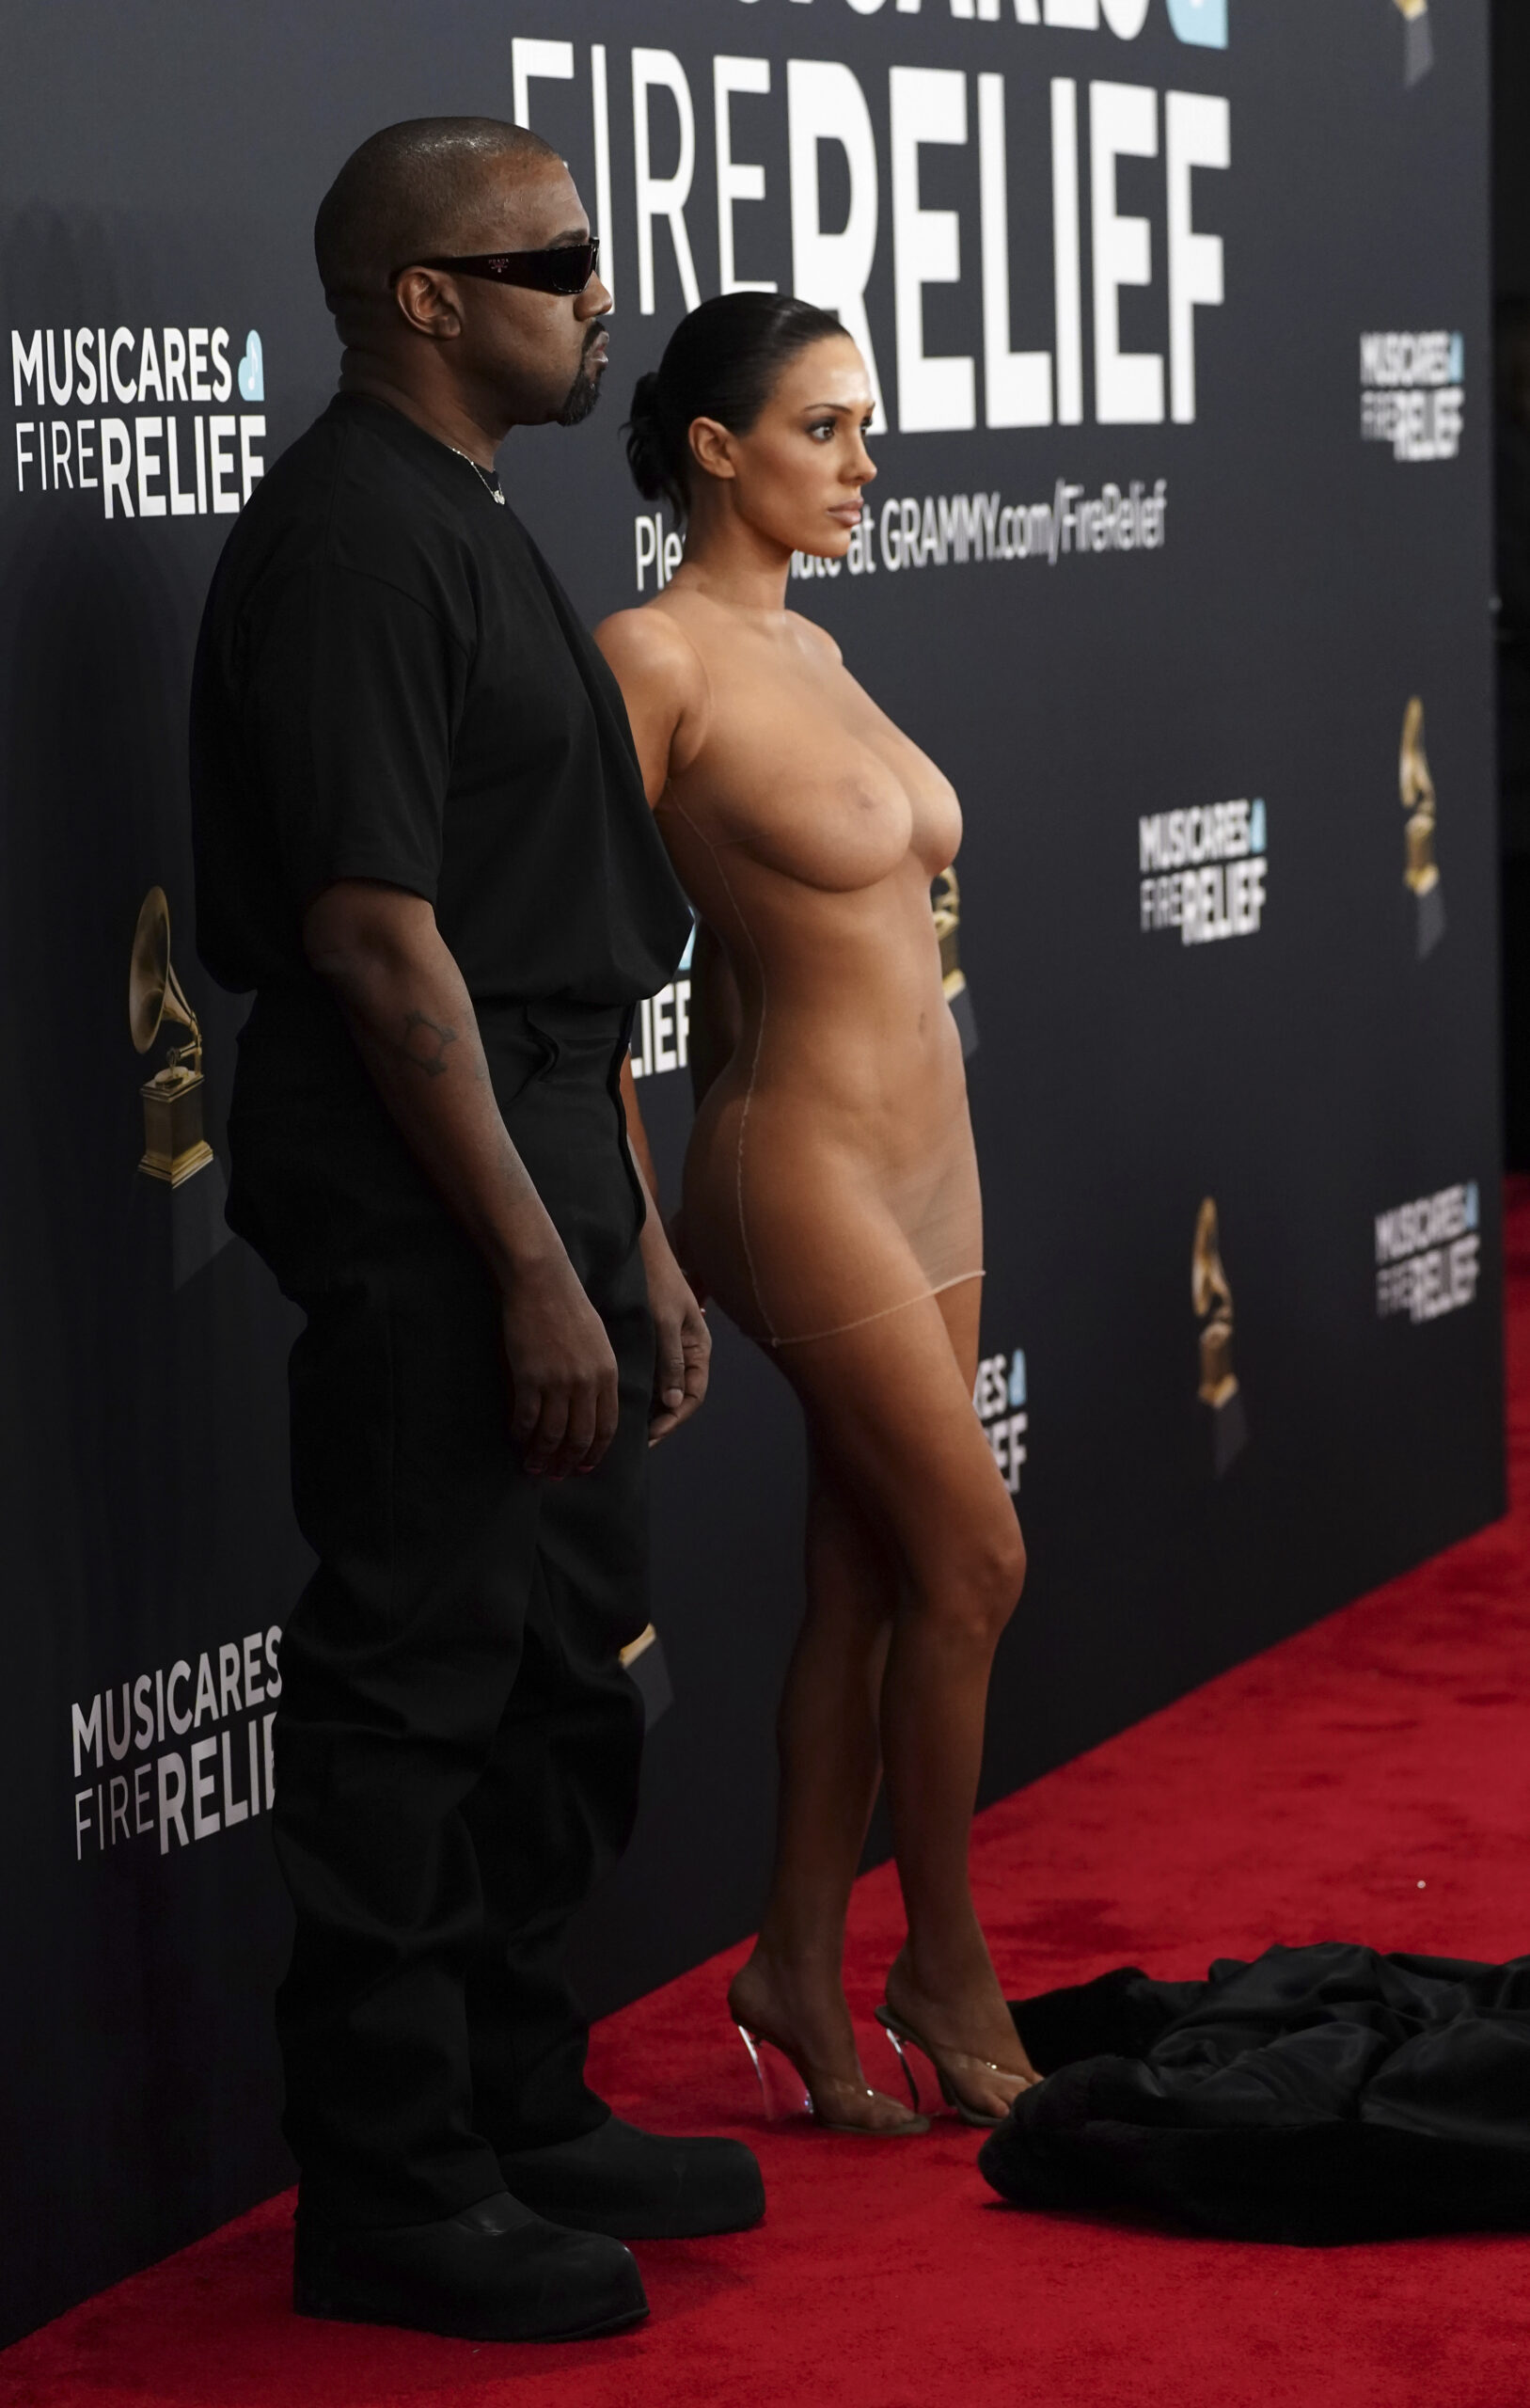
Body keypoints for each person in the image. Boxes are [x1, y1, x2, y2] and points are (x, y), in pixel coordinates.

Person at [189, 119, 762, 2345]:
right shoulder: (349, 538)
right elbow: (375, 936)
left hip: (538, 1143)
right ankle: (395, 2185)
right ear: (421, 298)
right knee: (419, 1678)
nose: (596, 292)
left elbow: (541, 937)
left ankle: (518, 2096)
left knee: (554, 1667)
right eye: (548, 260)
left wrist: (627, 1227)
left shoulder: (473, 517)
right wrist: (533, 1257)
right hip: (428, 1176)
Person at [596, 294, 1035, 2137]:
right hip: (795, 1168)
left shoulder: (820, 640)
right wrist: (623, 1232)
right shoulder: (648, 657)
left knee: (865, 1576)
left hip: (931, 1157)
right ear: (713, 446)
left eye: (864, 428)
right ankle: (938, 1962)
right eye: (822, 429)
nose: (862, 464)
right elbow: (573, 972)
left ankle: (790, 1952)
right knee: (973, 1562)